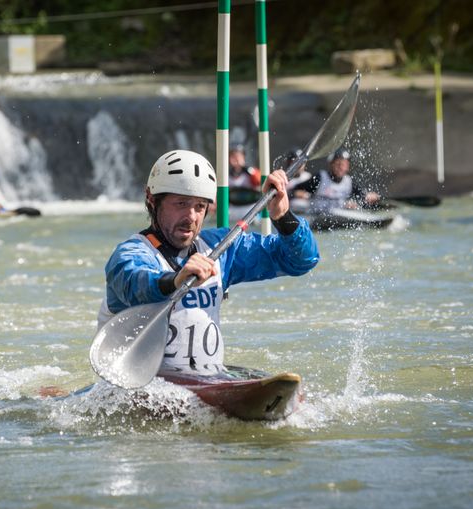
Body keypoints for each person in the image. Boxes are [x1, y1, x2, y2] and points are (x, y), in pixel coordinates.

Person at [97, 149, 319, 373]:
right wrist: (175, 280)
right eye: (181, 204)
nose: (191, 217)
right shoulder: (130, 253)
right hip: (140, 385)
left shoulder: (220, 248)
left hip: (206, 380)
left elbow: (300, 260)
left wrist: (283, 217)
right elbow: (135, 283)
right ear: (152, 200)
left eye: (199, 206)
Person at [291, 148, 379, 209]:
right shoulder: (320, 177)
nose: (341, 168)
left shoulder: (348, 181)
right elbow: (295, 189)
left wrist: (368, 196)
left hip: (340, 215)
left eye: (344, 165)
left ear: (348, 167)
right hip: (318, 215)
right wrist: (299, 193)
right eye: (338, 164)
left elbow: (362, 195)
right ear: (331, 164)